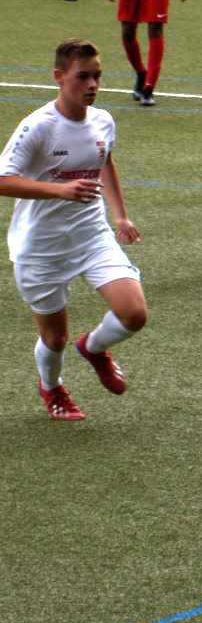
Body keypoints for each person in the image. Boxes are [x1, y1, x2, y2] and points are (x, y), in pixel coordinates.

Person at [0, 39, 148, 421]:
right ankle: (52, 388)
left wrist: (120, 216)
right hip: (41, 248)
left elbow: (104, 161)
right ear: (58, 77)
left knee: (134, 314)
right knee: (54, 338)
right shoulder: (38, 126)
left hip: (90, 235)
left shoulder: (103, 120)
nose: (93, 85)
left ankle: (95, 348)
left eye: (97, 76)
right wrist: (59, 190)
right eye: (83, 77)